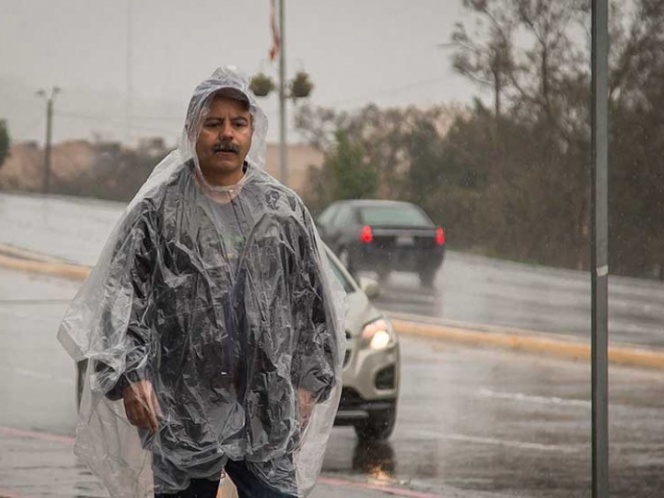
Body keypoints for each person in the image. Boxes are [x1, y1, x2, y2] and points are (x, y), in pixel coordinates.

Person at [57, 66, 346, 498]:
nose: (226, 134)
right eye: (213, 123)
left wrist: (309, 382)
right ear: (192, 130)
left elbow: (314, 308)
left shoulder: (283, 211)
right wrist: (129, 377)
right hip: (182, 412)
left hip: (266, 413)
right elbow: (119, 302)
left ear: (253, 131)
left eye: (238, 123)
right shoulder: (157, 209)